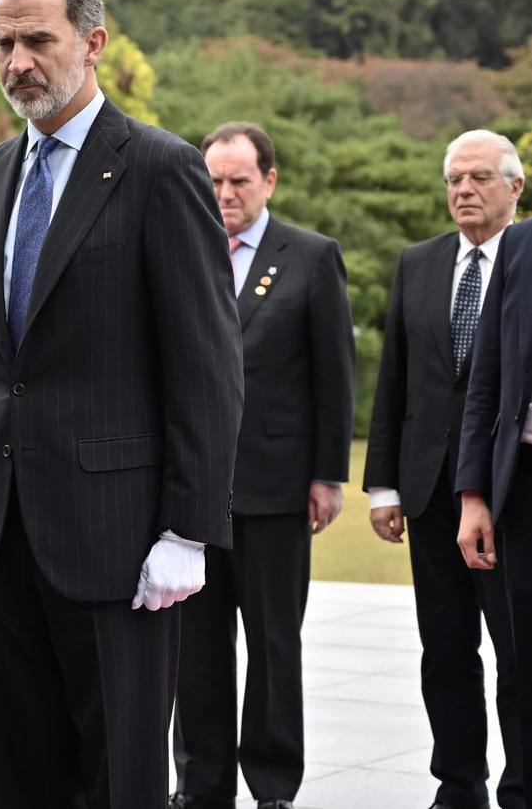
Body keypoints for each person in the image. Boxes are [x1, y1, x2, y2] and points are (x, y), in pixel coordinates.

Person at [0, 0, 243, 807]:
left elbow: (205, 365)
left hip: (120, 547)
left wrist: (187, 529)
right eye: (3, 42)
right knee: (14, 778)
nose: (16, 61)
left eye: (37, 39)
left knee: (120, 782)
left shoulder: (159, 168)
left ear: (92, 41)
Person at [171, 122, 356, 809]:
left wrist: (326, 474)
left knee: (274, 646)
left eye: (238, 180)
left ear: (268, 181)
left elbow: (333, 376)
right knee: (195, 652)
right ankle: (200, 783)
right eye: (213, 180)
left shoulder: (308, 257)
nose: (224, 193)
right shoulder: (180, 249)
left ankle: (273, 784)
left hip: (276, 487)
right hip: (190, 491)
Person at [365, 129, 524, 809]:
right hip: (429, 492)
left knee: (517, 654)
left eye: (478, 177)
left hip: (511, 492)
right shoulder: (418, 262)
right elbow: (392, 382)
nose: (462, 189)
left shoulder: (522, 263)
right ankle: (458, 784)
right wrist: (382, 484)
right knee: (445, 651)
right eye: (453, 179)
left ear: (513, 186)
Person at [449, 132, 531, 806]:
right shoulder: (519, 251)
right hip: (520, 490)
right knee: (520, 662)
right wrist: (473, 495)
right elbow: (485, 381)